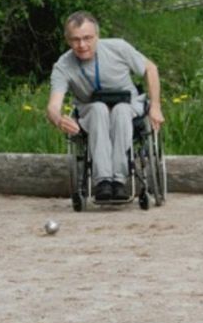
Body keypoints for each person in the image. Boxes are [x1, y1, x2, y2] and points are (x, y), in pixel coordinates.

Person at [47, 12, 164, 202]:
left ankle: (119, 180)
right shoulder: (63, 65)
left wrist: (156, 106)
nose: (82, 45)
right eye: (75, 40)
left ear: (97, 36)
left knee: (120, 110)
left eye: (87, 38)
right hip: (91, 110)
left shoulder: (118, 47)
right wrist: (59, 119)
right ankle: (103, 182)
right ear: (67, 40)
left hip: (127, 105)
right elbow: (53, 106)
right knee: (99, 109)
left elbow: (151, 69)